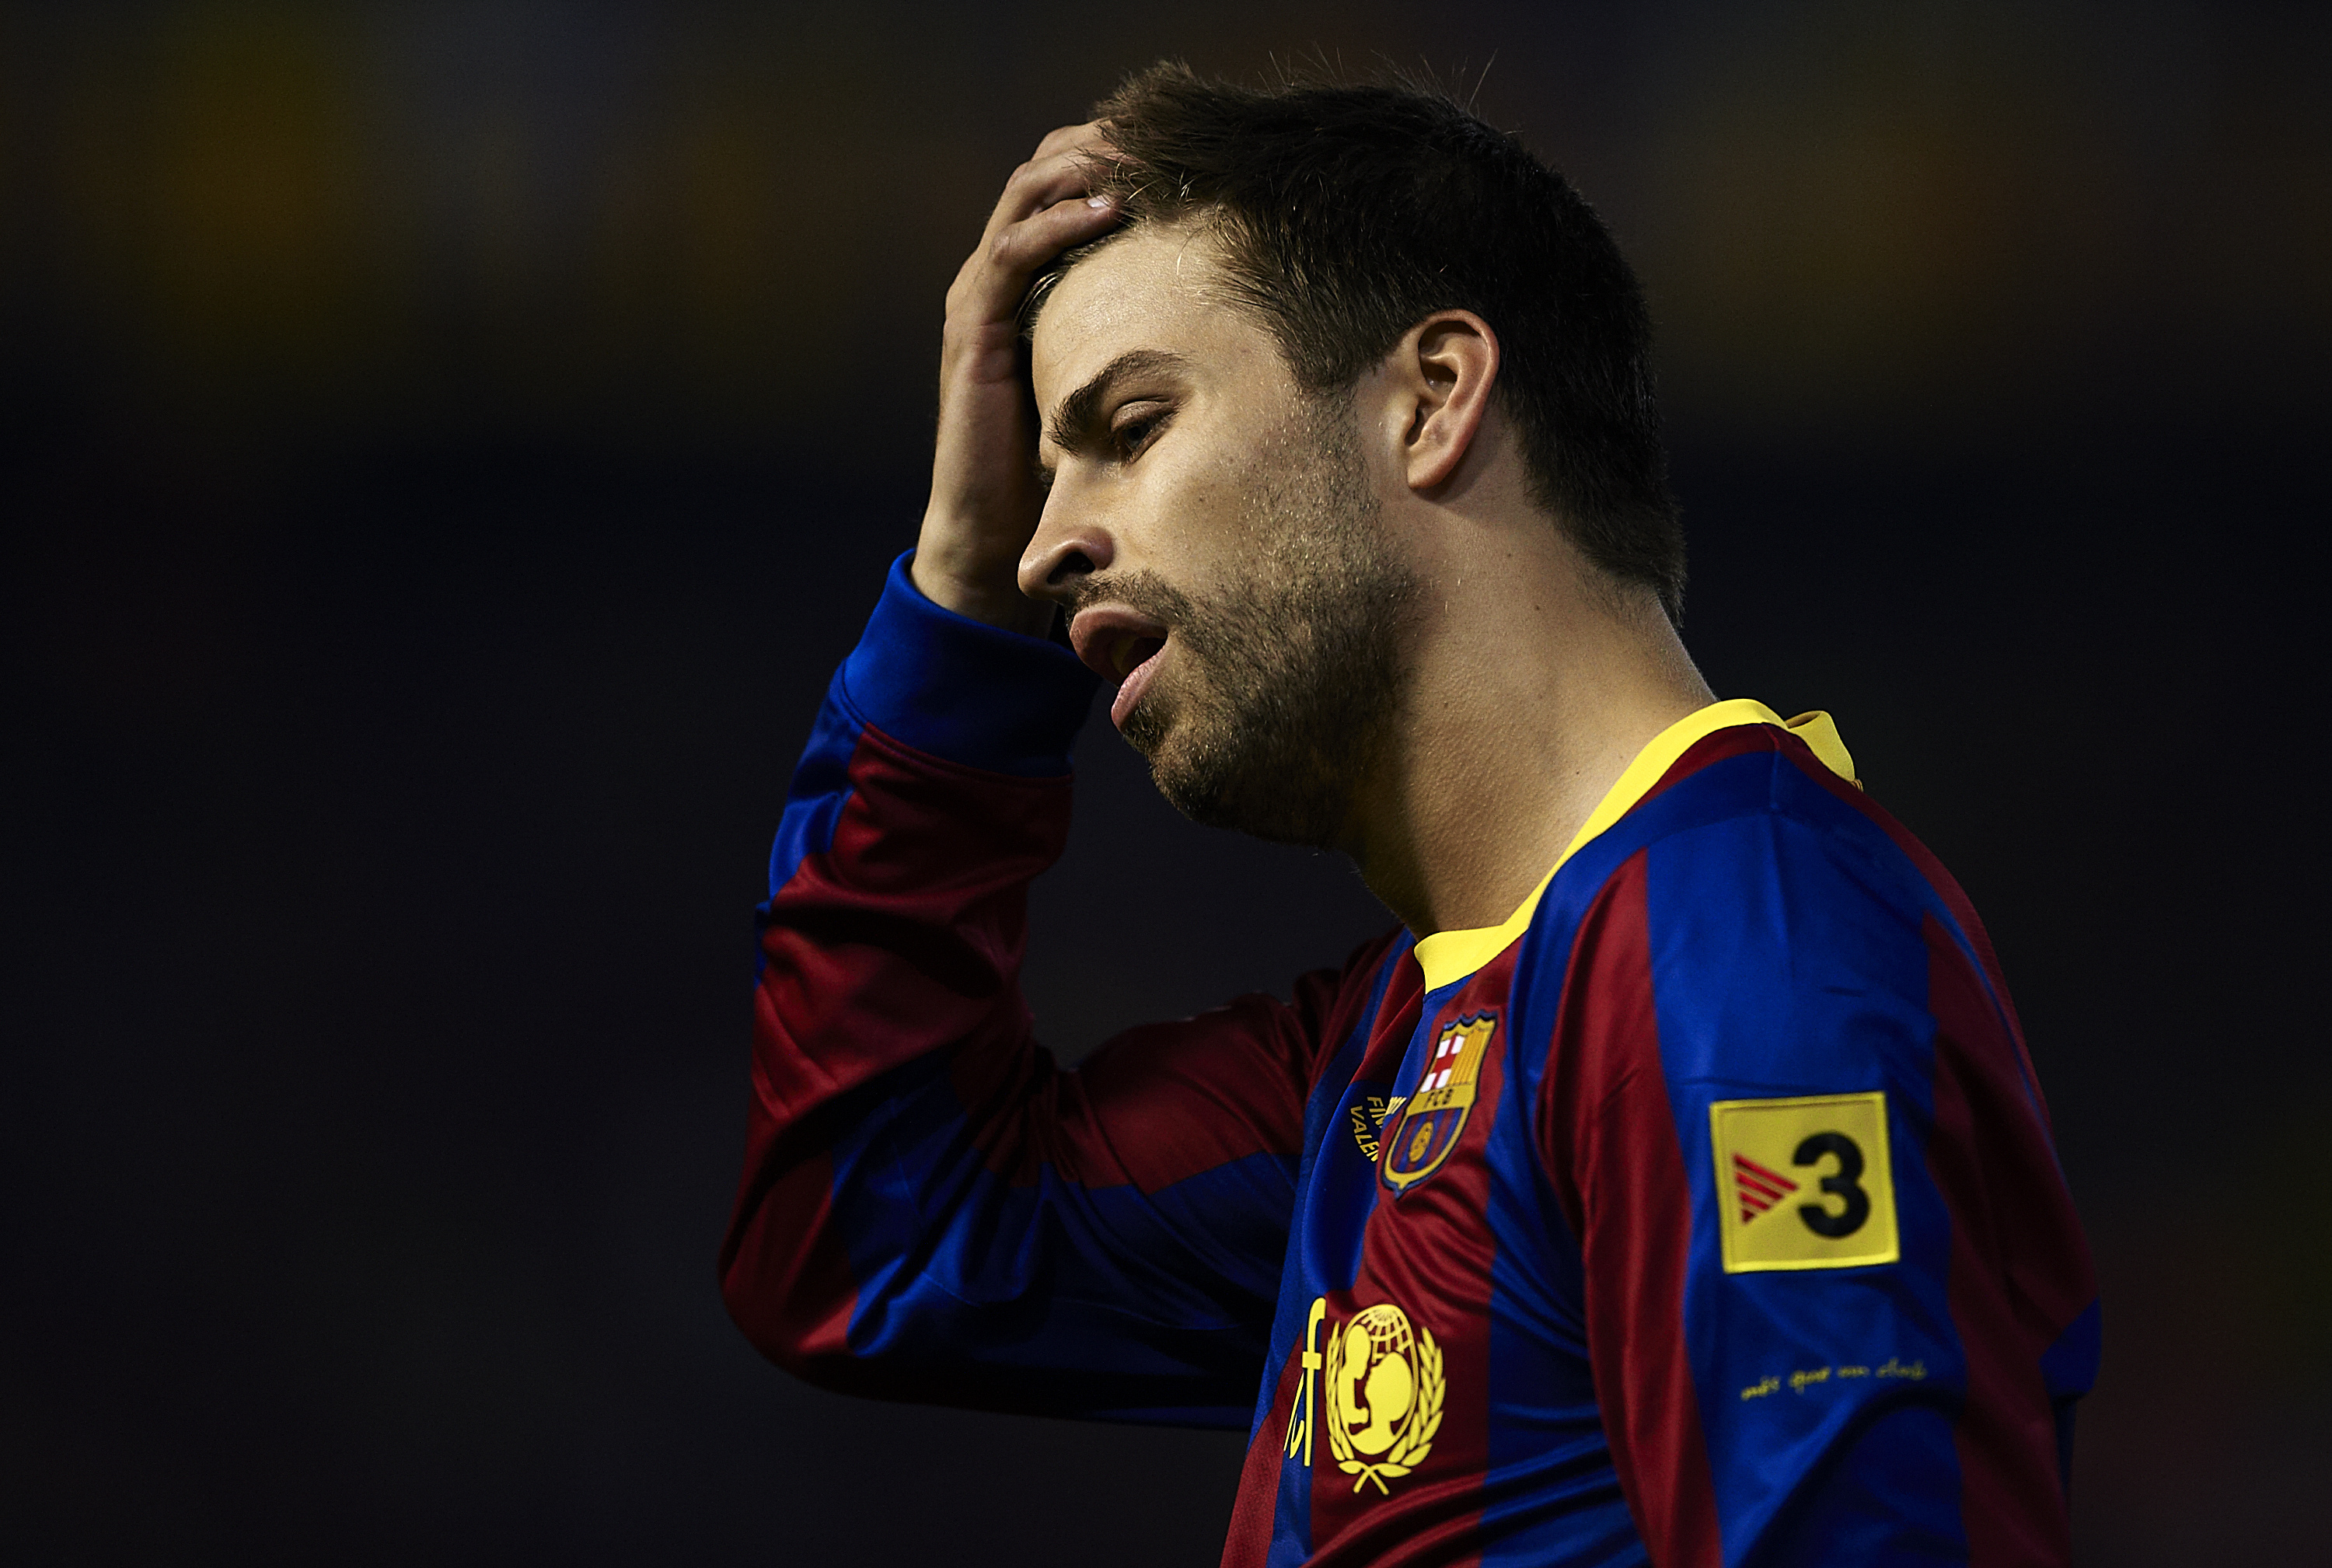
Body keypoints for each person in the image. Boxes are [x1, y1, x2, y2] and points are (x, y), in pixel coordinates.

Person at [720, 63, 2098, 1567]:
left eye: (1130, 424)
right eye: (1041, 478)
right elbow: (872, 1236)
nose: (1045, 545)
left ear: (1431, 398)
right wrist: (954, 594)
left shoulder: (1737, 945)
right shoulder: (1399, 1050)